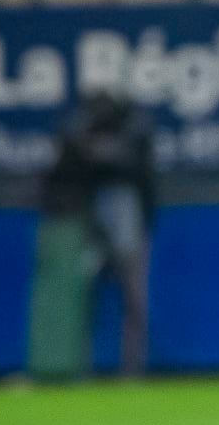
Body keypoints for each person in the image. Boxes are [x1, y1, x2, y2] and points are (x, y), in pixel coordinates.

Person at [26, 89, 155, 380]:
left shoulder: (134, 135)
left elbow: (130, 163)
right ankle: (76, 366)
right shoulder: (79, 138)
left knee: (134, 297)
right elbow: (73, 161)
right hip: (92, 221)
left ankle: (132, 370)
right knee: (82, 296)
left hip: (125, 221)